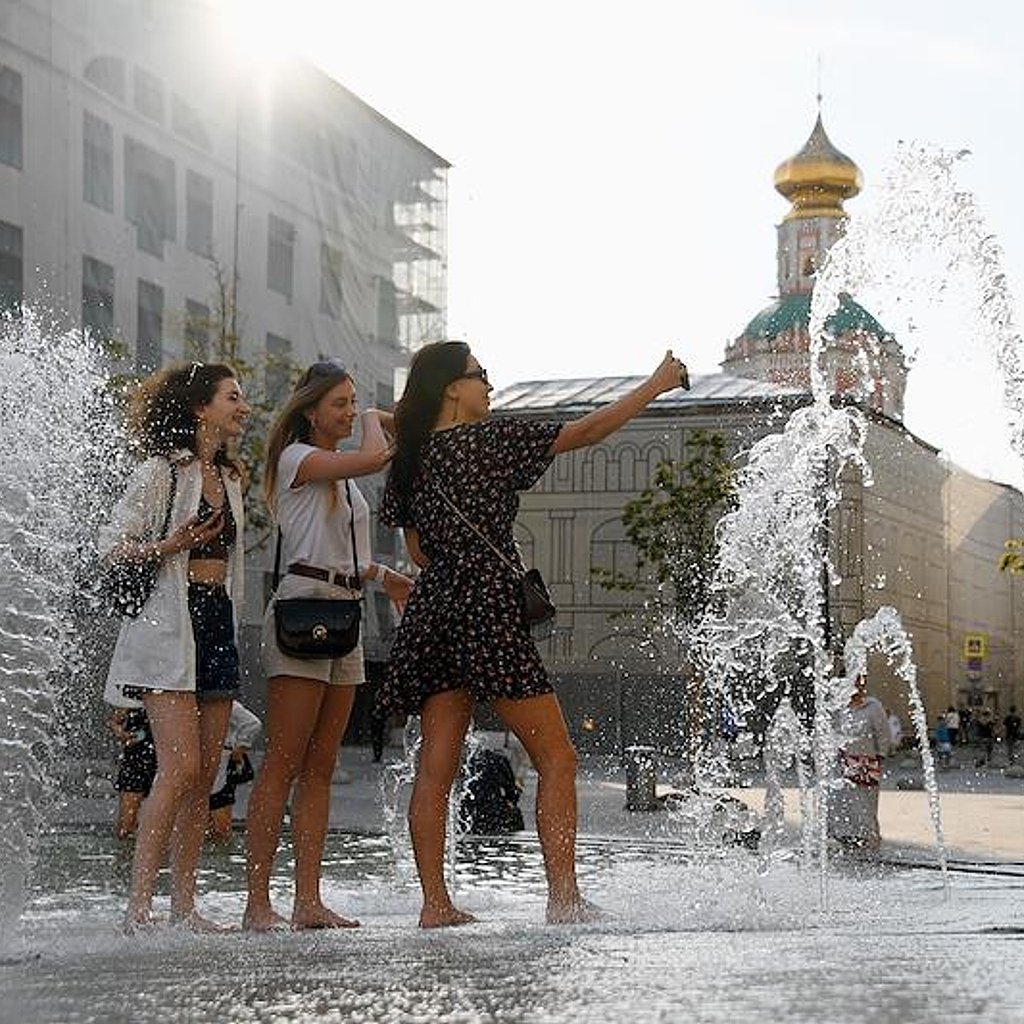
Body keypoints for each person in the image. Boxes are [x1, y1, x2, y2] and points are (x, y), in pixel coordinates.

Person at [375, 341, 687, 927]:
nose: (489, 385)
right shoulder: (492, 442)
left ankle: (435, 905)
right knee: (558, 759)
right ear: (452, 388)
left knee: (435, 769)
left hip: (436, 609)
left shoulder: (409, 461)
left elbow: (418, 550)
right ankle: (564, 899)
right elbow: (588, 432)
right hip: (489, 607)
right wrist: (656, 384)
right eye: (480, 375)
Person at [243, 359, 414, 932]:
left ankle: (307, 900)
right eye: (339, 403)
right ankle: (258, 903)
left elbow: (351, 555)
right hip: (301, 610)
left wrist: (385, 576)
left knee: (321, 766)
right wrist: (372, 416)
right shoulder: (298, 459)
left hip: (344, 616)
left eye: (353, 402)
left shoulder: (340, 476)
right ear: (310, 410)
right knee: (283, 764)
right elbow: (376, 453)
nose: (348, 412)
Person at [101, 361, 250, 931]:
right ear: (199, 407)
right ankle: (138, 909)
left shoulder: (230, 478)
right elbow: (112, 546)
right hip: (170, 622)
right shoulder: (161, 471)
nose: (242, 406)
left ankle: (185, 906)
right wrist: (169, 544)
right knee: (180, 766)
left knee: (207, 770)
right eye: (232, 396)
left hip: (217, 621)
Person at [828, 675, 892, 851]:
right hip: (842, 763)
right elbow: (832, 733)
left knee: (865, 802)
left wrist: (880, 757)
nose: (858, 686)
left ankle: (869, 838)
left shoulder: (873, 706)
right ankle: (846, 837)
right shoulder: (839, 708)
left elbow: (883, 734)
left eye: (861, 682)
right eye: (854, 682)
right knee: (843, 800)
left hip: (866, 763)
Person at [207, 701, 262, 841]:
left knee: (218, 823)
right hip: (217, 762)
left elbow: (252, 724)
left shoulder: (225, 703)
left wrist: (240, 748)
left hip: (221, 764)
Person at [109, 707, 157, 839]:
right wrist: (119, 730)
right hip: (138, 752)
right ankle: (129, 857)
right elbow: (115, 720)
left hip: (171, 754)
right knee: (127, 825)